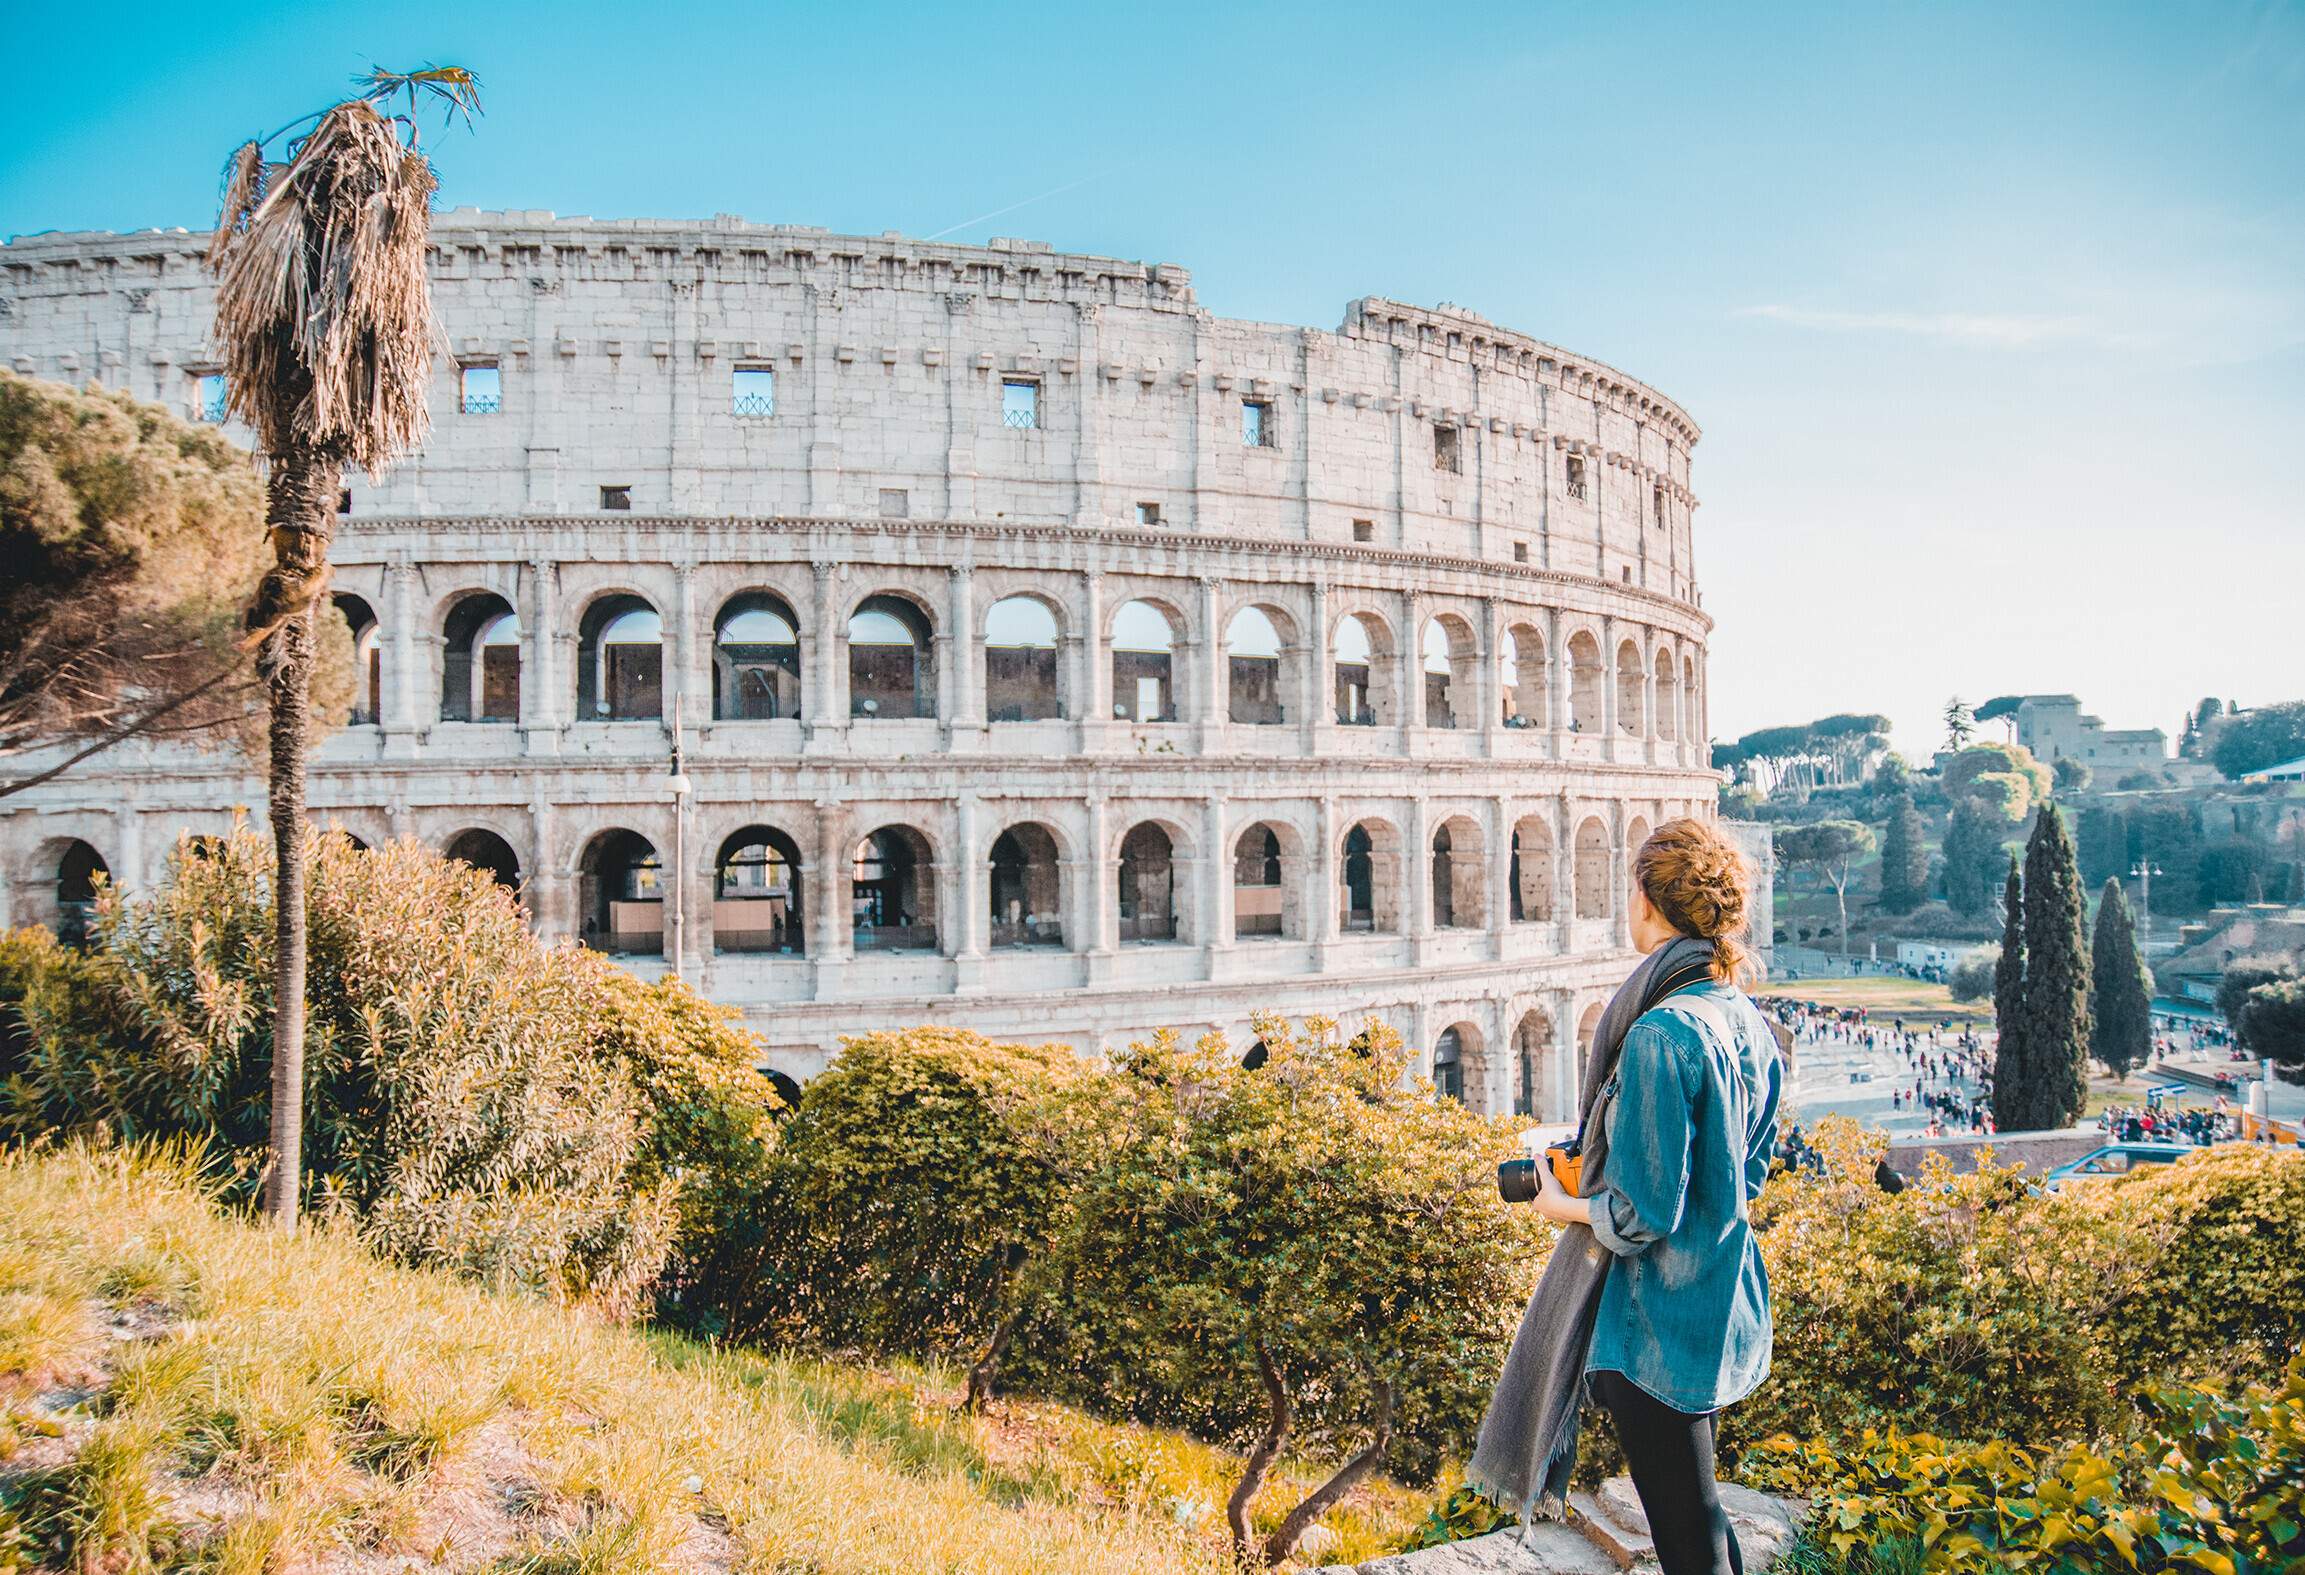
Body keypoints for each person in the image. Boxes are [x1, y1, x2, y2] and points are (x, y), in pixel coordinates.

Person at [1489, 818, 1781, 1575]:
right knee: (1701, 1516)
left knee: (1685, 1537)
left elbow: (1641, 1214)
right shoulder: (1741, 1015)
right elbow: (1745, 1170)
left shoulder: (1658, 1032)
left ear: (1650, 902)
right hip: (1718, 1296)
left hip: (1653, 1319)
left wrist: (1563, 1204)